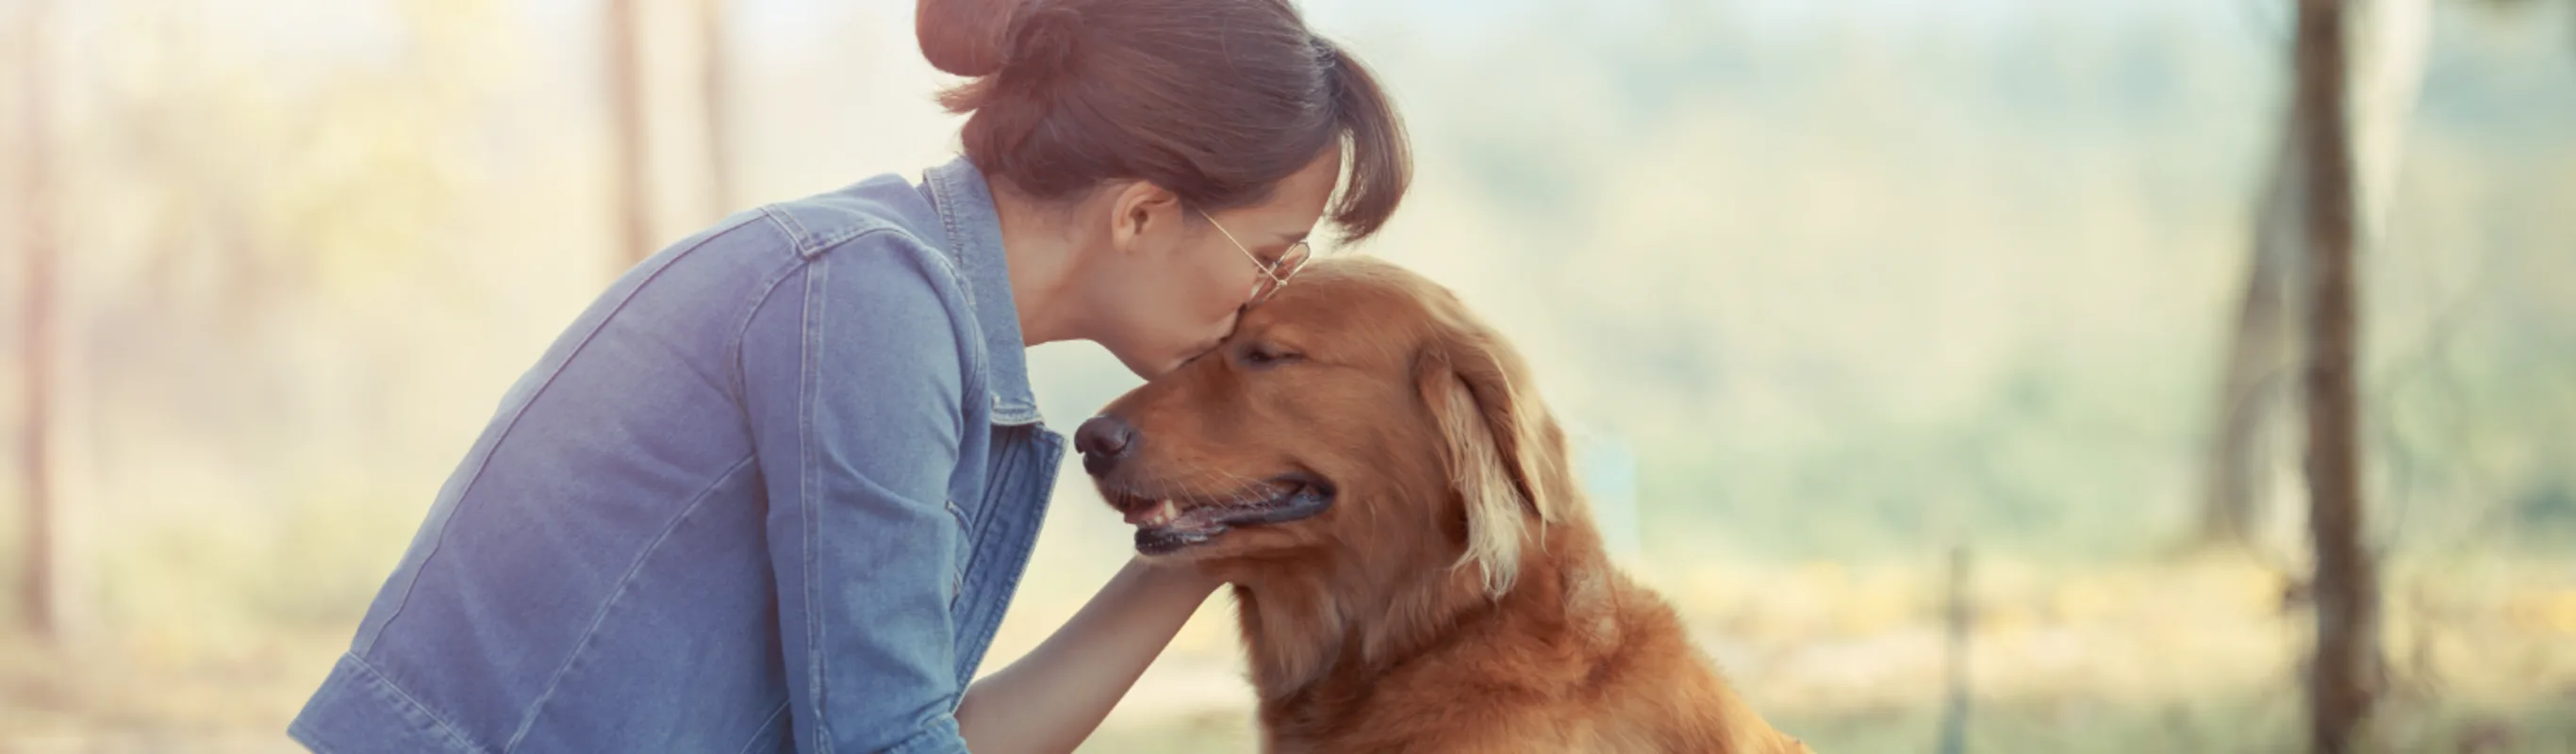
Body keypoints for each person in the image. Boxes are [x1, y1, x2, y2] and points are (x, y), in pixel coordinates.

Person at [287, 0, 1409, 750]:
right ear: (1142, 211)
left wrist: (1194, 559)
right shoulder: (870, 300)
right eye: (1271, 255)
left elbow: (921, 729)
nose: (1262, 302)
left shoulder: (935, 334)